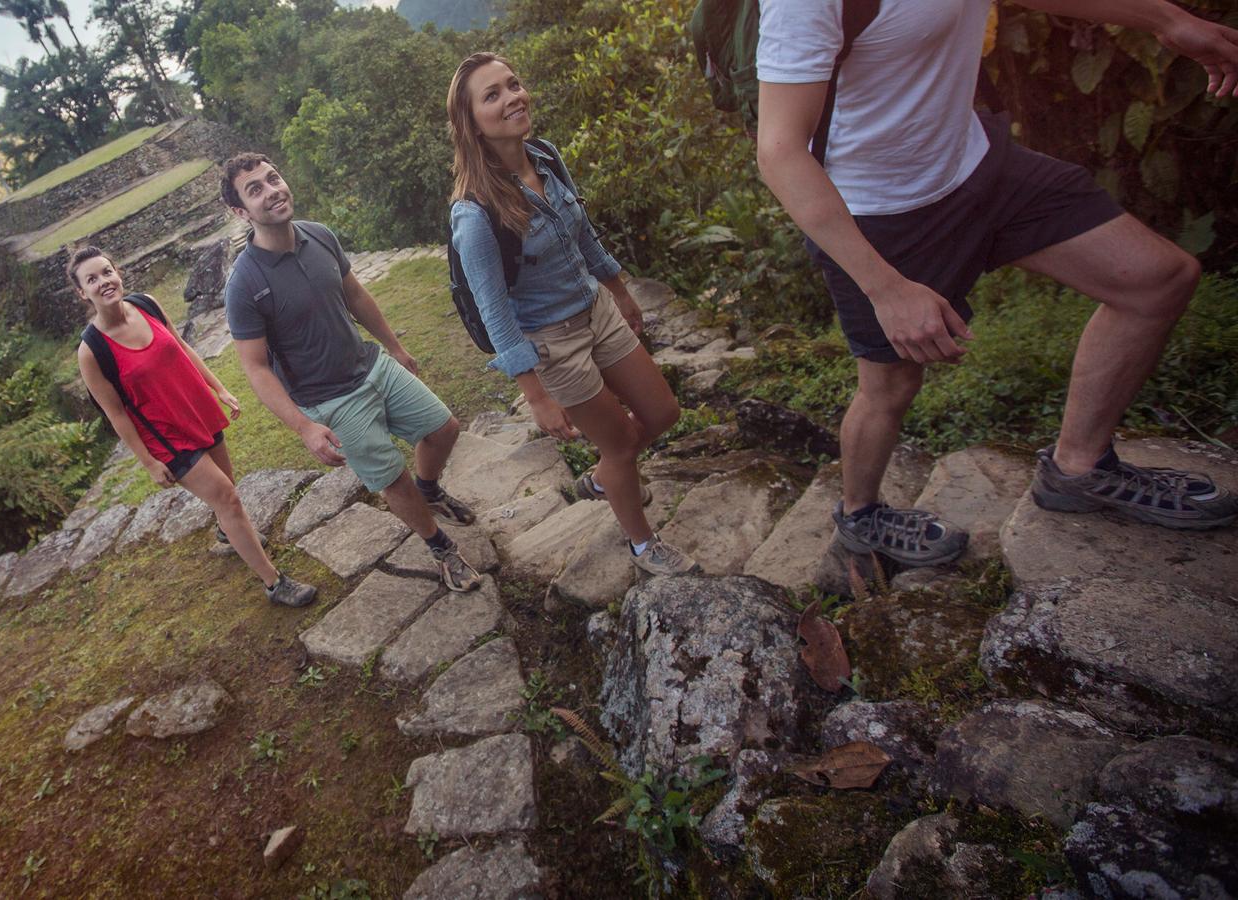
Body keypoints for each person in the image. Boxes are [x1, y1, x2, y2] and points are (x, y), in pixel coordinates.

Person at [754, 0, 1238, 566]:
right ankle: (860, 518)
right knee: (890, 388)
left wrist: (1163, 19)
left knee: (1158, 280)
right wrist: (886, 290)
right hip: (881, 212)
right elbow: (780, 151)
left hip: (977, 164)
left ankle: (1077, 470)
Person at [447, 52, 700, 577]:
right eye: (492, 95)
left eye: (513, 84)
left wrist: (619, 289)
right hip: (552, 343)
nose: (512, 97)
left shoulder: (546, 156)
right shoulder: (474, 214)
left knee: (662, 414)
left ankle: (608, 476)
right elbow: (494, 311)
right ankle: (642, 545)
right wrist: (534, 393)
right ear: (471, 122)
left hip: (596, 309)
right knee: (624, 443)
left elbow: (581, 233)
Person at [219, 153, 485, 593]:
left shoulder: (318, 234)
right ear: (240, 212)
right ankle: (441, 548)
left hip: (371, 364)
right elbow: (256, 368)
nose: (272, 192)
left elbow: (355, 295)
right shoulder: (245, 284)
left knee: (443, 428)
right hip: (329, 400)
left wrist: (394, 347)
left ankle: (431, 489)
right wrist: (304, 426)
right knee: (391, 477)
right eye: (256, 190)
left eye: (273, 179)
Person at [71, 245, 318, 608]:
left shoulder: (146, 304)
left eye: (107, 272)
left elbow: (183, 347)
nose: (104, 282)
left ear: (117, 272)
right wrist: (150, 463)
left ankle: (225, 532)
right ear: (82, 293)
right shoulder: (92, 352)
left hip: (195, 409)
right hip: (166, 438)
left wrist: (218, 387)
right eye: (92, 279)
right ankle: (274, 583)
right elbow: (116, 415)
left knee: (227, 488)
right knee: (228, 498)